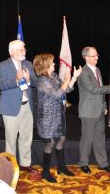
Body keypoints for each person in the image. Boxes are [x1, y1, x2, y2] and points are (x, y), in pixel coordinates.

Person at [33, 53, 82, 182]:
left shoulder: (53, 76)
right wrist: (66, 80)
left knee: (62, 138)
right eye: (52, 62)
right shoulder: (42, 81)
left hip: (59, 114)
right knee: (51, 142)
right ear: (45, 65)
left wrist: (73, 78)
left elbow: (67, 90)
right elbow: (57, 94)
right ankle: (45, 172)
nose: (54, 64)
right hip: (47, 118)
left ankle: (61, 167)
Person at [0, 40, 37, 173]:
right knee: (11, 138)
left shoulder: (28, 64)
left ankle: (25, 163)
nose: (24, 51)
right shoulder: (3, 65)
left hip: (27, 106)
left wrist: (29, 79)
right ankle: (12, 166)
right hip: (10, 107)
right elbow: (2, 85)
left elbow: (35, 82)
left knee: (26, 136)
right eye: (21, 49)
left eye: (24, 49)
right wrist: (16, 79)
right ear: (12, 51)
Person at [77, 46, 110, 174]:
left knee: (100, 138)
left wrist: (104, 105)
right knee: (87, 138)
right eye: (94, 56)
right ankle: (83, 163)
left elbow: (100, 91)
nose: (97, 57)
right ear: (87, 57)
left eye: (97, 55)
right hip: (88, 111)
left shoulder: (97, 70)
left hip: (99, 110)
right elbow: (93, 89)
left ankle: (103, 163)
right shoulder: (83, 72)